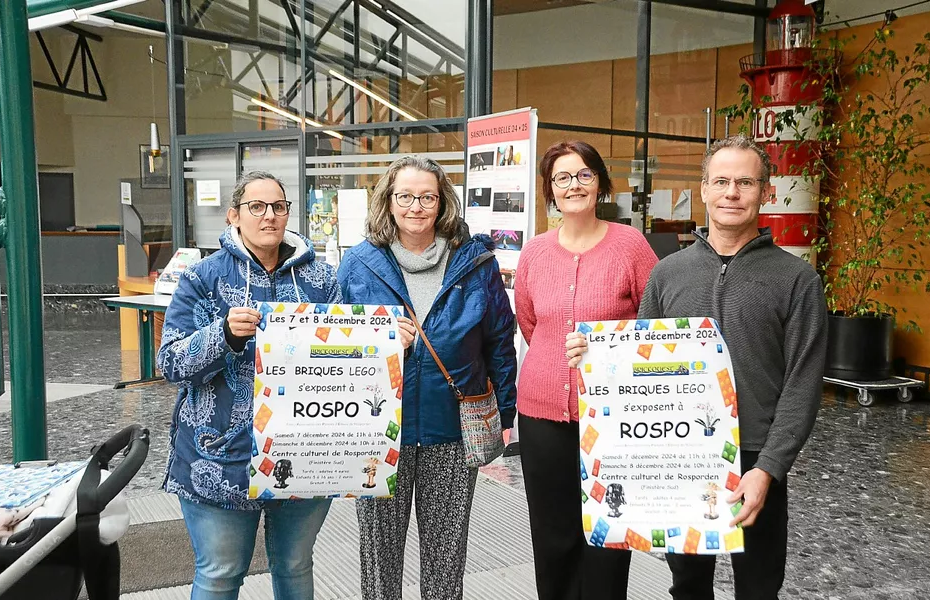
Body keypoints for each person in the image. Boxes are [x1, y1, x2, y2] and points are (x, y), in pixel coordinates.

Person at [566, 135, 828, 600]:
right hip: (682, 456)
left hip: (755, 458)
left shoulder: (797, 280)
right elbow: (636, 361)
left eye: (745, 182)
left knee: (759, 584)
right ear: (704, 189)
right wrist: (596, 357)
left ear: (765, 192)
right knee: (687, 585)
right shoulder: (668, 273)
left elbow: (802, 383)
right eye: (722, 181)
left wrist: (768, 468)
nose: (732, 193)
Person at [337, 156, 518, 600]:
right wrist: (380, 342)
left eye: (427, 197)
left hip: (452, 431)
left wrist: (506, 413)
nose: (416, 206)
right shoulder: (359, 265)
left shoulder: (475, 264)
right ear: (389, 201)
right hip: (379, 432)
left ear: (442, 203)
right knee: (379, 563)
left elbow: (499, 341)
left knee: (445, 559)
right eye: (405, 196)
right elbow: (335, 346)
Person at [158, 171, 342, 600]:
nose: (269, 216)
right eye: (256, 207)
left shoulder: (322, 280)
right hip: (219, 456)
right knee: (220, 574)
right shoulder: (202, 277)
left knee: (296, 567)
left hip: (304, 451)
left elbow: (349, 355)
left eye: (279, 206)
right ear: (234, 216)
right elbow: (170, 362)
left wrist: (388, 341)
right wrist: (222, 335)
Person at [515, 140, 658, 600]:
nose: (573, 185)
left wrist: (606, 349)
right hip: (540, 416)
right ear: (550, 191)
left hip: (614, 417)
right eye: (562, 177)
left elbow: (655, 325)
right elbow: (531, 324)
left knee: (610, 535)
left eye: (583, 175)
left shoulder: (630, 246)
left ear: (600, 184)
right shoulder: (534, 253)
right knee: (553, 538)